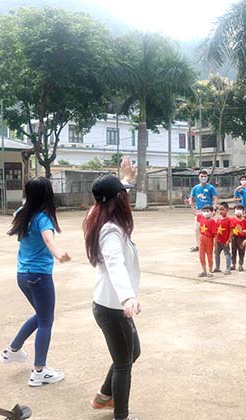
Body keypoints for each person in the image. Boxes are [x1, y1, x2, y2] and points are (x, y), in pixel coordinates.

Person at [83, 159, 141, 420]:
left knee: (133, 351)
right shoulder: (110, 230)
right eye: (123, 194)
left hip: (109, 304)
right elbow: (115, 263)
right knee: (123, 363)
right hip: (113, 306)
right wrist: (127, 297)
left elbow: (110, 195)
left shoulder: (97, 215)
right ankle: (121, 415)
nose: (127, 197)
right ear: (117, 199)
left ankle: (104, 397)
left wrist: (125, 179)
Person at [1, 177, 71, 387]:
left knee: (42, 316)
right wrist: (59, 254)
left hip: (23, 275)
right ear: (48, 195)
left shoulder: (20, 213)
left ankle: (13, 350)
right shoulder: (43, 218)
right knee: (45, 321)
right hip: (39, 276)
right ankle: (39, 371)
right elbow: (48, 239)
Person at [187, 170, 218, 252]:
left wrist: (214, 209)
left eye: (205, 176)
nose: (203, 178)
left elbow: (215, 198)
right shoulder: (195, 188)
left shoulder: (211, 188)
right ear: (199, 177)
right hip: (199, 210)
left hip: (208, 211)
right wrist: (193, 209)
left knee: (209, 228)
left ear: (207, 177)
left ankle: (212, 245)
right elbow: (191, 198)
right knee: (197, 229)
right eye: (202, 176)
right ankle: (199, 246)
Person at [197, 205, 218, 277]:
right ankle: (204, 271)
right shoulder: (201, 218)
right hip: (202, 238)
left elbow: (215, 233)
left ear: (211, 212)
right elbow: (195, 213)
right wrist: (191, 205)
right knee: (201, 255)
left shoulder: (213, 221)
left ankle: (210, 271)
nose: (205, 213)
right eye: (204, 211)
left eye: (207, 211)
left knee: (209, 255)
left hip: (209, 239)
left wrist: (215, 242)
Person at [213, 202, 233, 275]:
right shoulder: (218, 219)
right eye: (219, 209)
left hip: (225, 241)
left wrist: (228, 240)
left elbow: (231, 231)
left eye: (222, 209)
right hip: (218, 240)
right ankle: (217, 267)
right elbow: (216, 231)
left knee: (227, 254)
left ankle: (228, 268)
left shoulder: (229, 220)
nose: (221, 211)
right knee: (216, 254)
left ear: (227, 210)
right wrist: (215, 241)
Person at [230, 204, 246, 272]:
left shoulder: (244, 220)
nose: (238, 211)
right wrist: (230, 238)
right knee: (233, 251)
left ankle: (240, 264)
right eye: (237, 209)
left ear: (243, 211)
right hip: (234, 237)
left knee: (241, 251)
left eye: (240, 209)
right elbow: (231, 229)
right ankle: (233, 264)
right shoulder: (232, 219)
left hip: (242, 237)